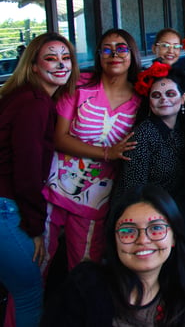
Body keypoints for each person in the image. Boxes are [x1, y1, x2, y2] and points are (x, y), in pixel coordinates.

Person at [42, 184, 185, 326]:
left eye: (156, 228)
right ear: (113, 240)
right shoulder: (85, 286)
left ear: (174, 237)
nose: (143, 240)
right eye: (127, 231)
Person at [45, 28, 142, 271]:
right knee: (35, 266)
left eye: (121, 48)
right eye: (106, 49)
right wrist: (107, 153)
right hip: (53, 188)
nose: (114, 54)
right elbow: (58, 137)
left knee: (86, 272)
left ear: (132, 54)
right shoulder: (79, 86)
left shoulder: (142, 100)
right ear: (98, 55)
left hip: (96, 199)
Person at [0, 32, 78, 327]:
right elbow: (27, 170)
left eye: (66, 57)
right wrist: (35, 228)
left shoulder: (19, 97)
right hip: (5, 208)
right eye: (50, 58)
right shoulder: (35, 103)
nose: (60, 64)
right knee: (30, 291)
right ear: (33, 65)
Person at [112, 62, 185, 206]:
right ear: (150, 102)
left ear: (183, 98)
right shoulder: (142, 136)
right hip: (145, 212)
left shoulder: (184, 128)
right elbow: (133, 191)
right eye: (156, 95)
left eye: (170, 94)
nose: (164, 99)